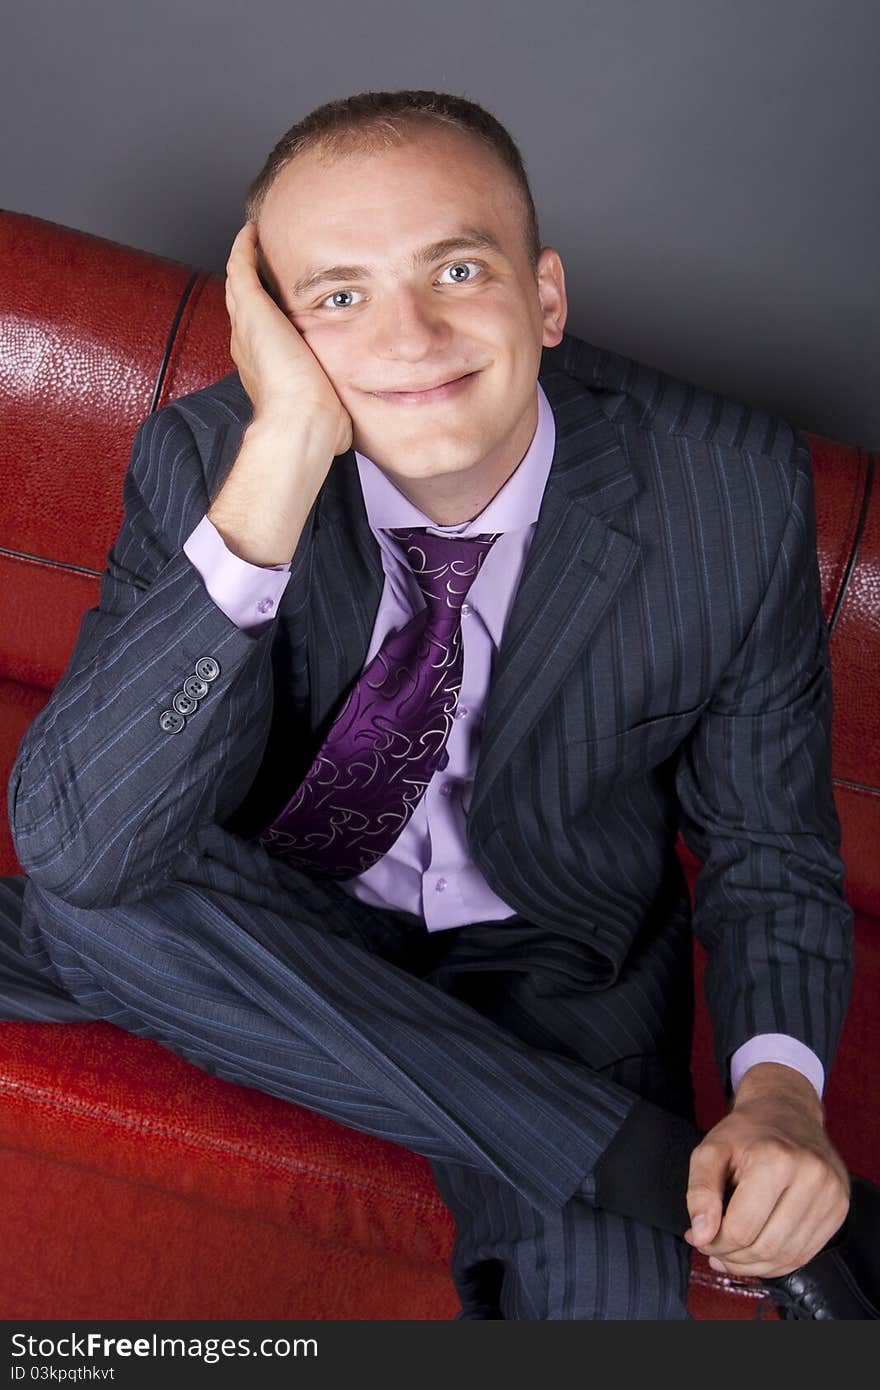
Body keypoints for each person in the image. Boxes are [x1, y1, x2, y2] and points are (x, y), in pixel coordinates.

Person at [1, 88, 875, 1320]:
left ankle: (582, 1142)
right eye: (338, 297)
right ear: (279, 338)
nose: (409, 336)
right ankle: (638, 1159)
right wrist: (288, 449)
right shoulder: (214, 461)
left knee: (612, 1319)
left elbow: (767, 846)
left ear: (547, 296)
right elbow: (86, 842)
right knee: (96, 897)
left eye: (456, 269)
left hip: (550, 966)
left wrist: (778, 1094)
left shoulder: (729, 492)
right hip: (269, 910)